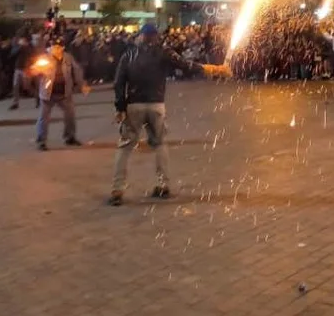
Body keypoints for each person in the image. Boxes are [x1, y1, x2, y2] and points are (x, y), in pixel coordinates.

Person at [109, 23, 221, 206]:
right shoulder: (163, 52)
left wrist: (120, 107)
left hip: (134, 105)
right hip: (156, 105)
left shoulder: (128, 54)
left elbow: (119, 82)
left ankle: (117, 189)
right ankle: (164, 185)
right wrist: (210, 69)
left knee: (125, 147)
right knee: (159, 144)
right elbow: (186, 65)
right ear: (156, 37)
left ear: (140, 37)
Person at [34, 39, 86, 150]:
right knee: (44, 118)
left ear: (62, 48)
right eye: (53, 47)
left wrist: (82, 85)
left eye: (58, 47)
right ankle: (41, 141)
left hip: (64, 93)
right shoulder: (45, 58)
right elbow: (35, 71)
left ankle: (69, 137)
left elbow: (77, 71)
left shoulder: (68, 57)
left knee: (70, 115)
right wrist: (38, 70)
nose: (55, 49)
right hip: (48, 94)